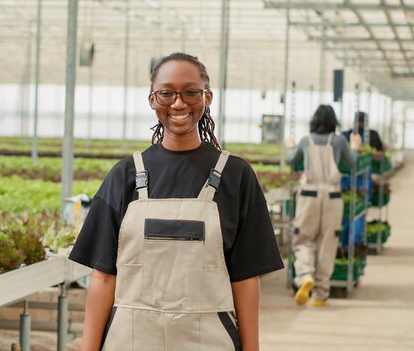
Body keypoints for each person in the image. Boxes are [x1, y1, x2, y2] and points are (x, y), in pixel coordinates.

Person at [69, 52, 283, 351]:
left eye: (190, 92)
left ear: (207, 97)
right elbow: (103, 279)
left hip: (209, 341)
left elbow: (246, 279)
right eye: (167, 93)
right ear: (152, 100)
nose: (178, 103)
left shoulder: (236, 176)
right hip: (130, 341)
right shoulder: (125, 176)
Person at [287, 105, 361, 307]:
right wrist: (354, 145)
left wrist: (291, 146)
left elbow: (292, 161)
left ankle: (304, 276)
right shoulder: (338, 141)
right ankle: (321, 294)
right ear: (333, 122)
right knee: (328, 242)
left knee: (303, 238)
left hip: (309, 196)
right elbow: (352, 163)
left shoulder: (305, 140)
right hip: (332, 196)